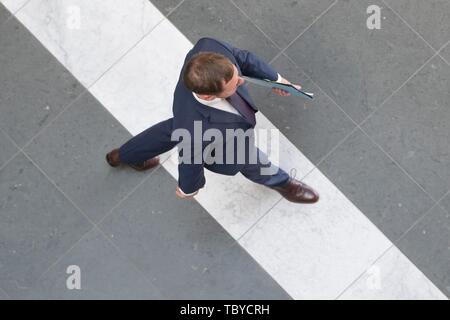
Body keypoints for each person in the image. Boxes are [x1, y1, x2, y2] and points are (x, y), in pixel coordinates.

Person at [106, 37, 319, 204]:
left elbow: (243, 58)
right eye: (235, 85)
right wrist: (189, 188)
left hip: (190, 118)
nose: (242, 81)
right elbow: (190, 161)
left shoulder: (211, 47)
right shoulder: (194, 132)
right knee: (247, 157)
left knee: (175, 128)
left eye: (237, 76)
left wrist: (277, 81)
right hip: (217, 138)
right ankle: (282, 182)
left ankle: (123, 155)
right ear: (208, 95)